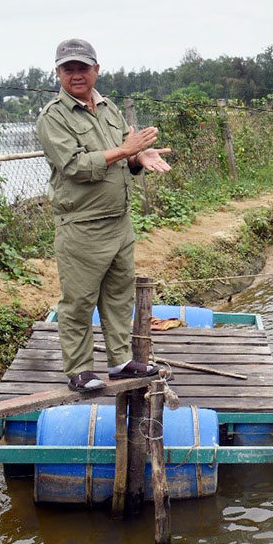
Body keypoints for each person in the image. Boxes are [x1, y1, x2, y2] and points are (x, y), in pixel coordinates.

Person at [37, 38, 172, 391]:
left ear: (97, 70)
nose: (77, 75)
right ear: (58, 74)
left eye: (83, 68)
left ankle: (120, 361)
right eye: (69, 69)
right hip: (82, 225)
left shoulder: (110, 108)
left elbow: (121, 155)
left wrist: (137, 157)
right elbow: (74, 166)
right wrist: (126, 149)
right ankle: (80, 370)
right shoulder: (53, 117)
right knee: (79, 301)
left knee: (118, 295)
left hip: (118, 221)